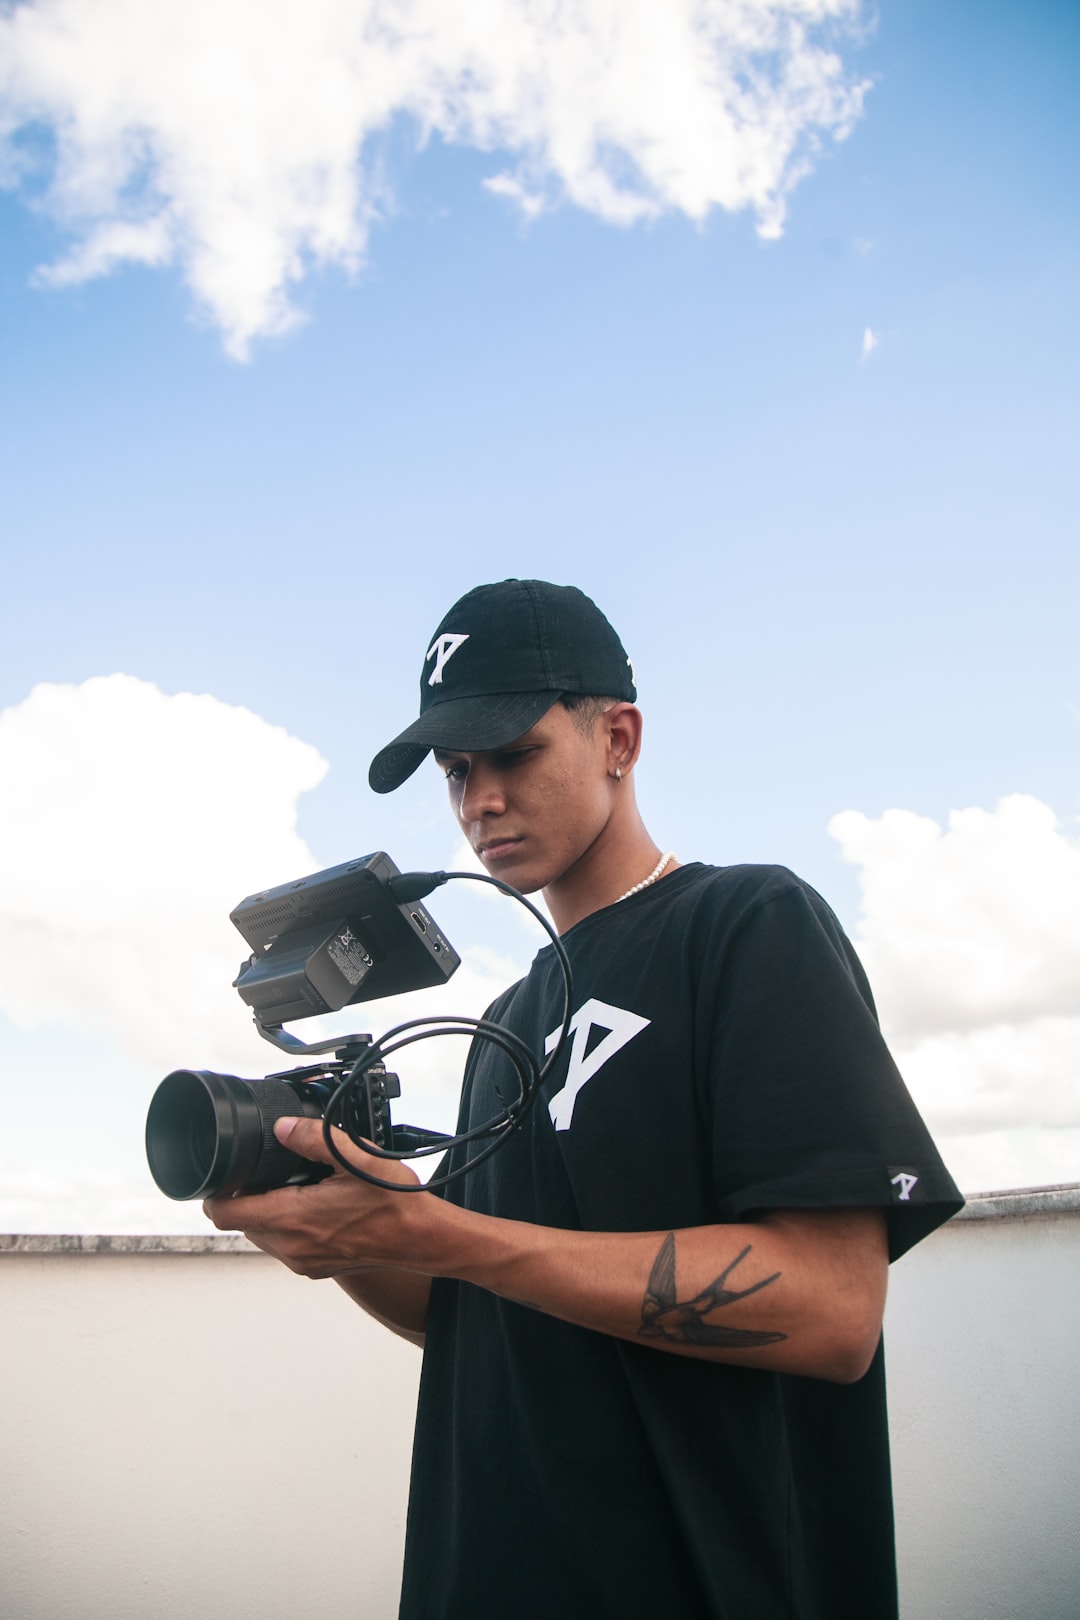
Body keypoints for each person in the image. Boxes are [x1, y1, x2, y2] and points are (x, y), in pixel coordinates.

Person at [205, 578, 963, 1620]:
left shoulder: (747, 924)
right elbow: (474, 1319)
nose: (479, 800)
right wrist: (347, 1233)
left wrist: (451, 1235)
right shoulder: (503, 1024)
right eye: (457, 770)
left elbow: (833, 1310)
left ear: (619, 738)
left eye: (513, 754)